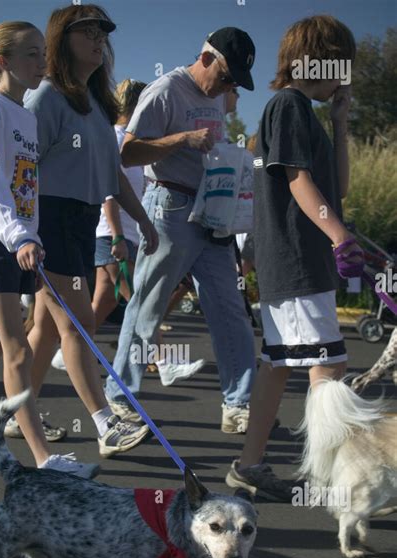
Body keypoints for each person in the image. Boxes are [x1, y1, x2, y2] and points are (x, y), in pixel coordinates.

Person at [0, 20, 98, 478]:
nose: (41, 62)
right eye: (30, 54)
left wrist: (32, 235)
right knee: (17, 350)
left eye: (42, 53)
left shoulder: (24, 114)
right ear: (1, 61)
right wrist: (19, 236)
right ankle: (45, 460)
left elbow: (26, 186)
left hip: (18, 241)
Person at [225, 15, 365, 500]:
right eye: (341, 66)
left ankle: (249, 464)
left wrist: (341, 122)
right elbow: (297, 181)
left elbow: (337, 187)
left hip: (296, 262)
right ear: (320, 60)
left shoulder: (304, 112)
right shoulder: (287, 105)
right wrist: (338, 235)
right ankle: (334, 478)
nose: (345, 77)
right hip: (298, 259)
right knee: (328, 366)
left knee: (280, 364)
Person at [16, 5, 158, 458]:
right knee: (76, 323)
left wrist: (145, 221)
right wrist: (23, 232)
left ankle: (20, 415)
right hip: (51, 220)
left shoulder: (97, 105)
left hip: (81, 219)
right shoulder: (45, 96)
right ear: (62, 40)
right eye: (87, 33)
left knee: (45, 329)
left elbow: (113, 174)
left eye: (102, 34)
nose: (98, 41)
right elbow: (21, 169)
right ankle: (104, 423)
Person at [104, 27, 258, 434]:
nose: (227, 89)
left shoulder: (216, 97)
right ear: (206, 58)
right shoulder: (165, 90)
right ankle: (120, 396)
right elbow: (128, 152)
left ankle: (238, 403)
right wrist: (183, 139)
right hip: (169, 204)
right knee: (148, 305)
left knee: (230, 309)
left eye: (234, 84)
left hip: (211, 207)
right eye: (226, 78)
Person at [52, 77, 205, 386]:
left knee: (106, 301)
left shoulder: (134, 141)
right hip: (111, 234)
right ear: (136, 106)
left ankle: (65, 352)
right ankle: (165, 362)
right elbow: (109, 191)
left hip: (126, 234)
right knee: (141, 299)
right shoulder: (116, 138)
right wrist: (119, 235)